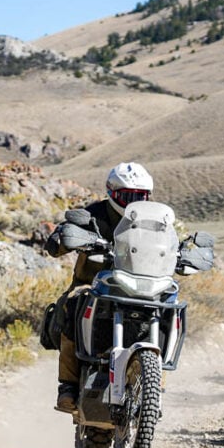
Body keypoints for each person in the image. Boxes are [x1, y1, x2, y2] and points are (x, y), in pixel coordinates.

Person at [45, 161, 154, 412]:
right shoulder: (95, 214)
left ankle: (153, 387)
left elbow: (168, 242)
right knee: (72, 304)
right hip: (93, 285)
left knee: (166, 308)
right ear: (112, 193)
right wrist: (65, 236)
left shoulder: (153, 219)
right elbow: (58, 242)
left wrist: (182, 252)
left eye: (141, 196)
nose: (133, 202)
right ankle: (68, 387)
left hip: (141, 286)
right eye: (127, 196)